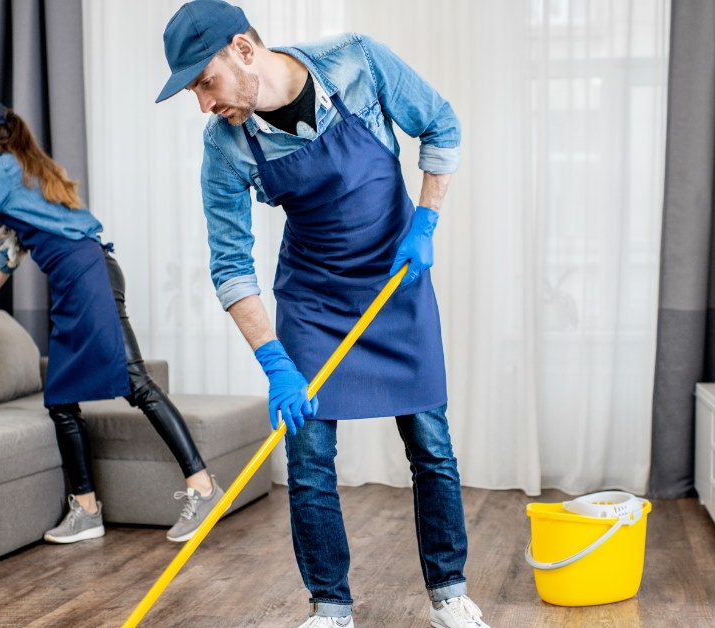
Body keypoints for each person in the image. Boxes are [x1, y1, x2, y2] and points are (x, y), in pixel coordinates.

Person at [156, 2, 489, 627]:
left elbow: (440, 124)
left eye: (205, 82)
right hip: (314, 299)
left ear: (243, 50)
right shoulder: (226, 146)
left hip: (396, 280)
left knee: (431, 443)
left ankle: (449, 594)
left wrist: (426, 220)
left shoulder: (357, 62)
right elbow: (230, 265)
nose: (203, 103)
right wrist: (275, 359)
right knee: (308, 457)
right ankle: (330, 607)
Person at [0, 94, 224, 545]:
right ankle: (86, 509)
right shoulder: (22, 173)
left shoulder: (2, 171)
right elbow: (9, 254)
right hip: (80, 280)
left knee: (135, 382)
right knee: (60, 398)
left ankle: (203, 487)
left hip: (86, 277)